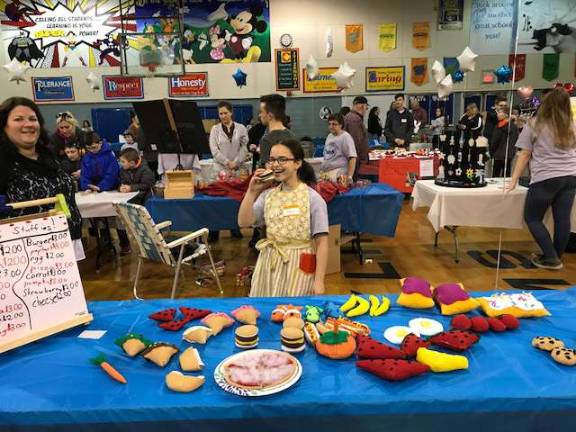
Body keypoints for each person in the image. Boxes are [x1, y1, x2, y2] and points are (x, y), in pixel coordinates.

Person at [238, 138, 328, 296]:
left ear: (297, 163)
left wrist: (319, 281)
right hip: (269, 264)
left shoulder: (312, 198)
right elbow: (243, 222)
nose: (275, 165)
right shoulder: (267, 196)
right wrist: (252, 192)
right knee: (266, 313)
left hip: (298, 265)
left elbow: (322, 243)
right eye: (272, 160)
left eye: (282, 159)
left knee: (293, 313)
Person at [0, 97, 84, 260]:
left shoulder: (48, 155)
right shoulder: (3, 162)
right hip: (23, 252)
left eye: (33, 119)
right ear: (4, 125)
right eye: (18, 119)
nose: (28, 124)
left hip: (66, 240)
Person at [507, 88, 576, 270]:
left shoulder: (535, 124)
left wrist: (513, 179)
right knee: (562, 219)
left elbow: (524, 154)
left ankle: (551, 257)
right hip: (570, 177)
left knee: (532, 217)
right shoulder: (572, 125)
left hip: (545, 177)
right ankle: (554, 256)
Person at [209, 101, 249, 173]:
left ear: (231, 112)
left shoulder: (241, 128)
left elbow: (245, 146)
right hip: (220, 169)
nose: (223, 116)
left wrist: (236, 162)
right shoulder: (215, 129)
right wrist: (227, 162)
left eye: (225, 113)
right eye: (221, 114)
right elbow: (214, 150)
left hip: (238, 167)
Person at [257, 94, 295, 166]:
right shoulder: (292, 136)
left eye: (261, 112)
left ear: (270, 116)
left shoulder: (266, 141)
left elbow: (267, 173)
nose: (260, 115)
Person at [320, 113, 357, 182]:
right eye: (329, 124)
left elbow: (352, 158)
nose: (331, 126)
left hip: (339, 174)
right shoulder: (329, 136)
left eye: (334, 124)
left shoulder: (346, 137)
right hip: (327, 174)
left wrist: (349, 177)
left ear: (341, 125)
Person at [344, 96, 369, 179]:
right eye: (366, 106)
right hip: (354, 159)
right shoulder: (354, 120)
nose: (366, 109)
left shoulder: (350, 117)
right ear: (361, 106)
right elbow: (355, 142)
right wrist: (361, 159)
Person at [490, 110, 518, 178]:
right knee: (506, 176)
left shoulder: (498, 126)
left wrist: (491, 152)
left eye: (499, 112)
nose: (497, 115)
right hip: (509, 155)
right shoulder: (514, 127)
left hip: (498, 155)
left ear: (506, 114)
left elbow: (494, 141)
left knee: (495, 177)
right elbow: (516, 140)